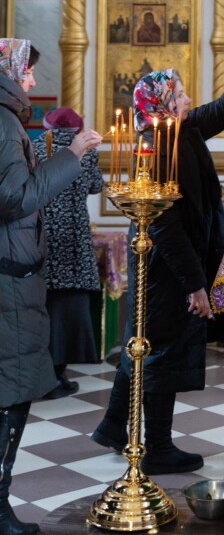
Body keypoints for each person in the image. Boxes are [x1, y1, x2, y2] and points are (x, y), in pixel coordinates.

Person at [91, 66, 224, 475]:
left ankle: (113, 426)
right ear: (162, 103)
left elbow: (209, 115)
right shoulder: (157, 148)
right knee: (161, 350)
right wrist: (195, 285)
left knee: (142, 340)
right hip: (164, 268)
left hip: (168, 263)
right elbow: (165, 226)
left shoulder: (178, 131)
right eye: (179, 94)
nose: (186, 100)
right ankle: (158, 448)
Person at [0, 38, 101, 535]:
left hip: (10, 268)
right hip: (7, 277)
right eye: (27, 73)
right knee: (10, 392)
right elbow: (15, 198)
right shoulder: (4, 123)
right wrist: (73, 154)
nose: (33, 81)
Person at [33, 107, 103, 399]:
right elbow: (96, 186)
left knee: (42, 307)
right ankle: (59, 372)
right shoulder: (85, 150)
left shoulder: (35, 148)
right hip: (74, 241)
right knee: (69, 309)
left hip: (42, 238)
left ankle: (42, 374)